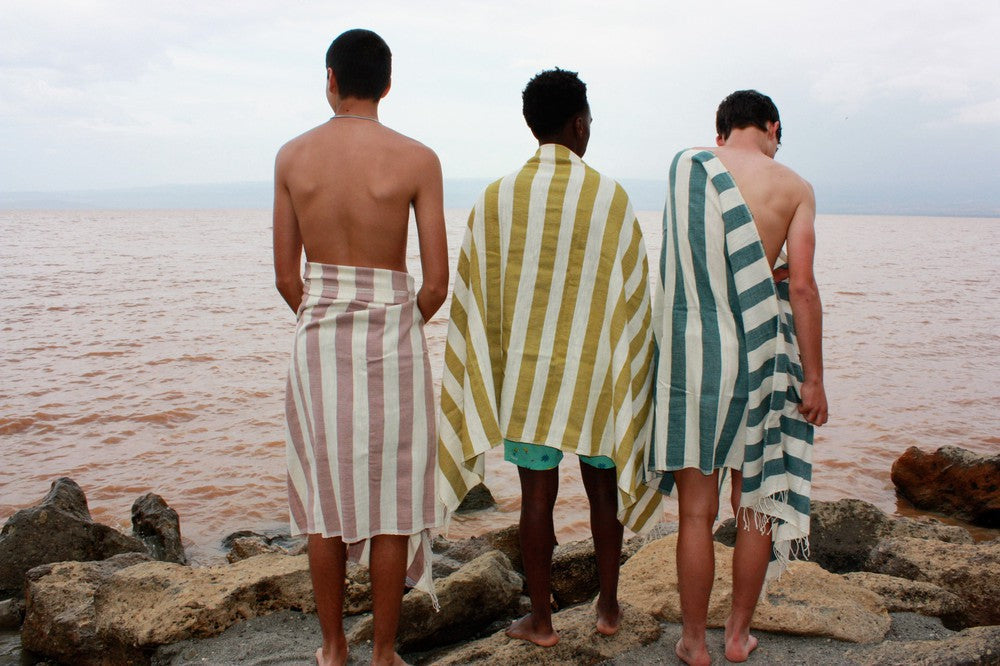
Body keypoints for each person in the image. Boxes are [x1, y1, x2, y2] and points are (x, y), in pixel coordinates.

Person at [437, 68, 664, 647]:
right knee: (604, 491)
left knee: (536, 498)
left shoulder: (495, 199)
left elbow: (477, 298)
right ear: (579, 123)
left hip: (527, 379)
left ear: (531, 124)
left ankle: (541, 620)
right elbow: (635, 296)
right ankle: (608, 608)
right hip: (595, 377)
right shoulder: (609, 197)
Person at [273, 28, 448, 666]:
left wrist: (327, 316)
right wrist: (396, 324)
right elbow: (435, 283)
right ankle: (383, 653)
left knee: (326, 496)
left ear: (330, 79)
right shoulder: (417, 159)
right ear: (387, 84)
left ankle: (331, 648)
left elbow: (287, 278)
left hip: (316, 339)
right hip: (395, 340)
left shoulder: (292, 157)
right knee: (394, 500)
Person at [648, 89, 828, 665]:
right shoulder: (794, 187)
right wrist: (815, 380)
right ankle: (737, 637)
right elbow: (800, 286)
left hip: (693, 357)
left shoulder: (688, 166)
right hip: (761, 358)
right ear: (772, 127)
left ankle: (694, 642)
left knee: (696, 513)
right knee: (755, 505)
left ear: (720, 129)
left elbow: (698, 257)